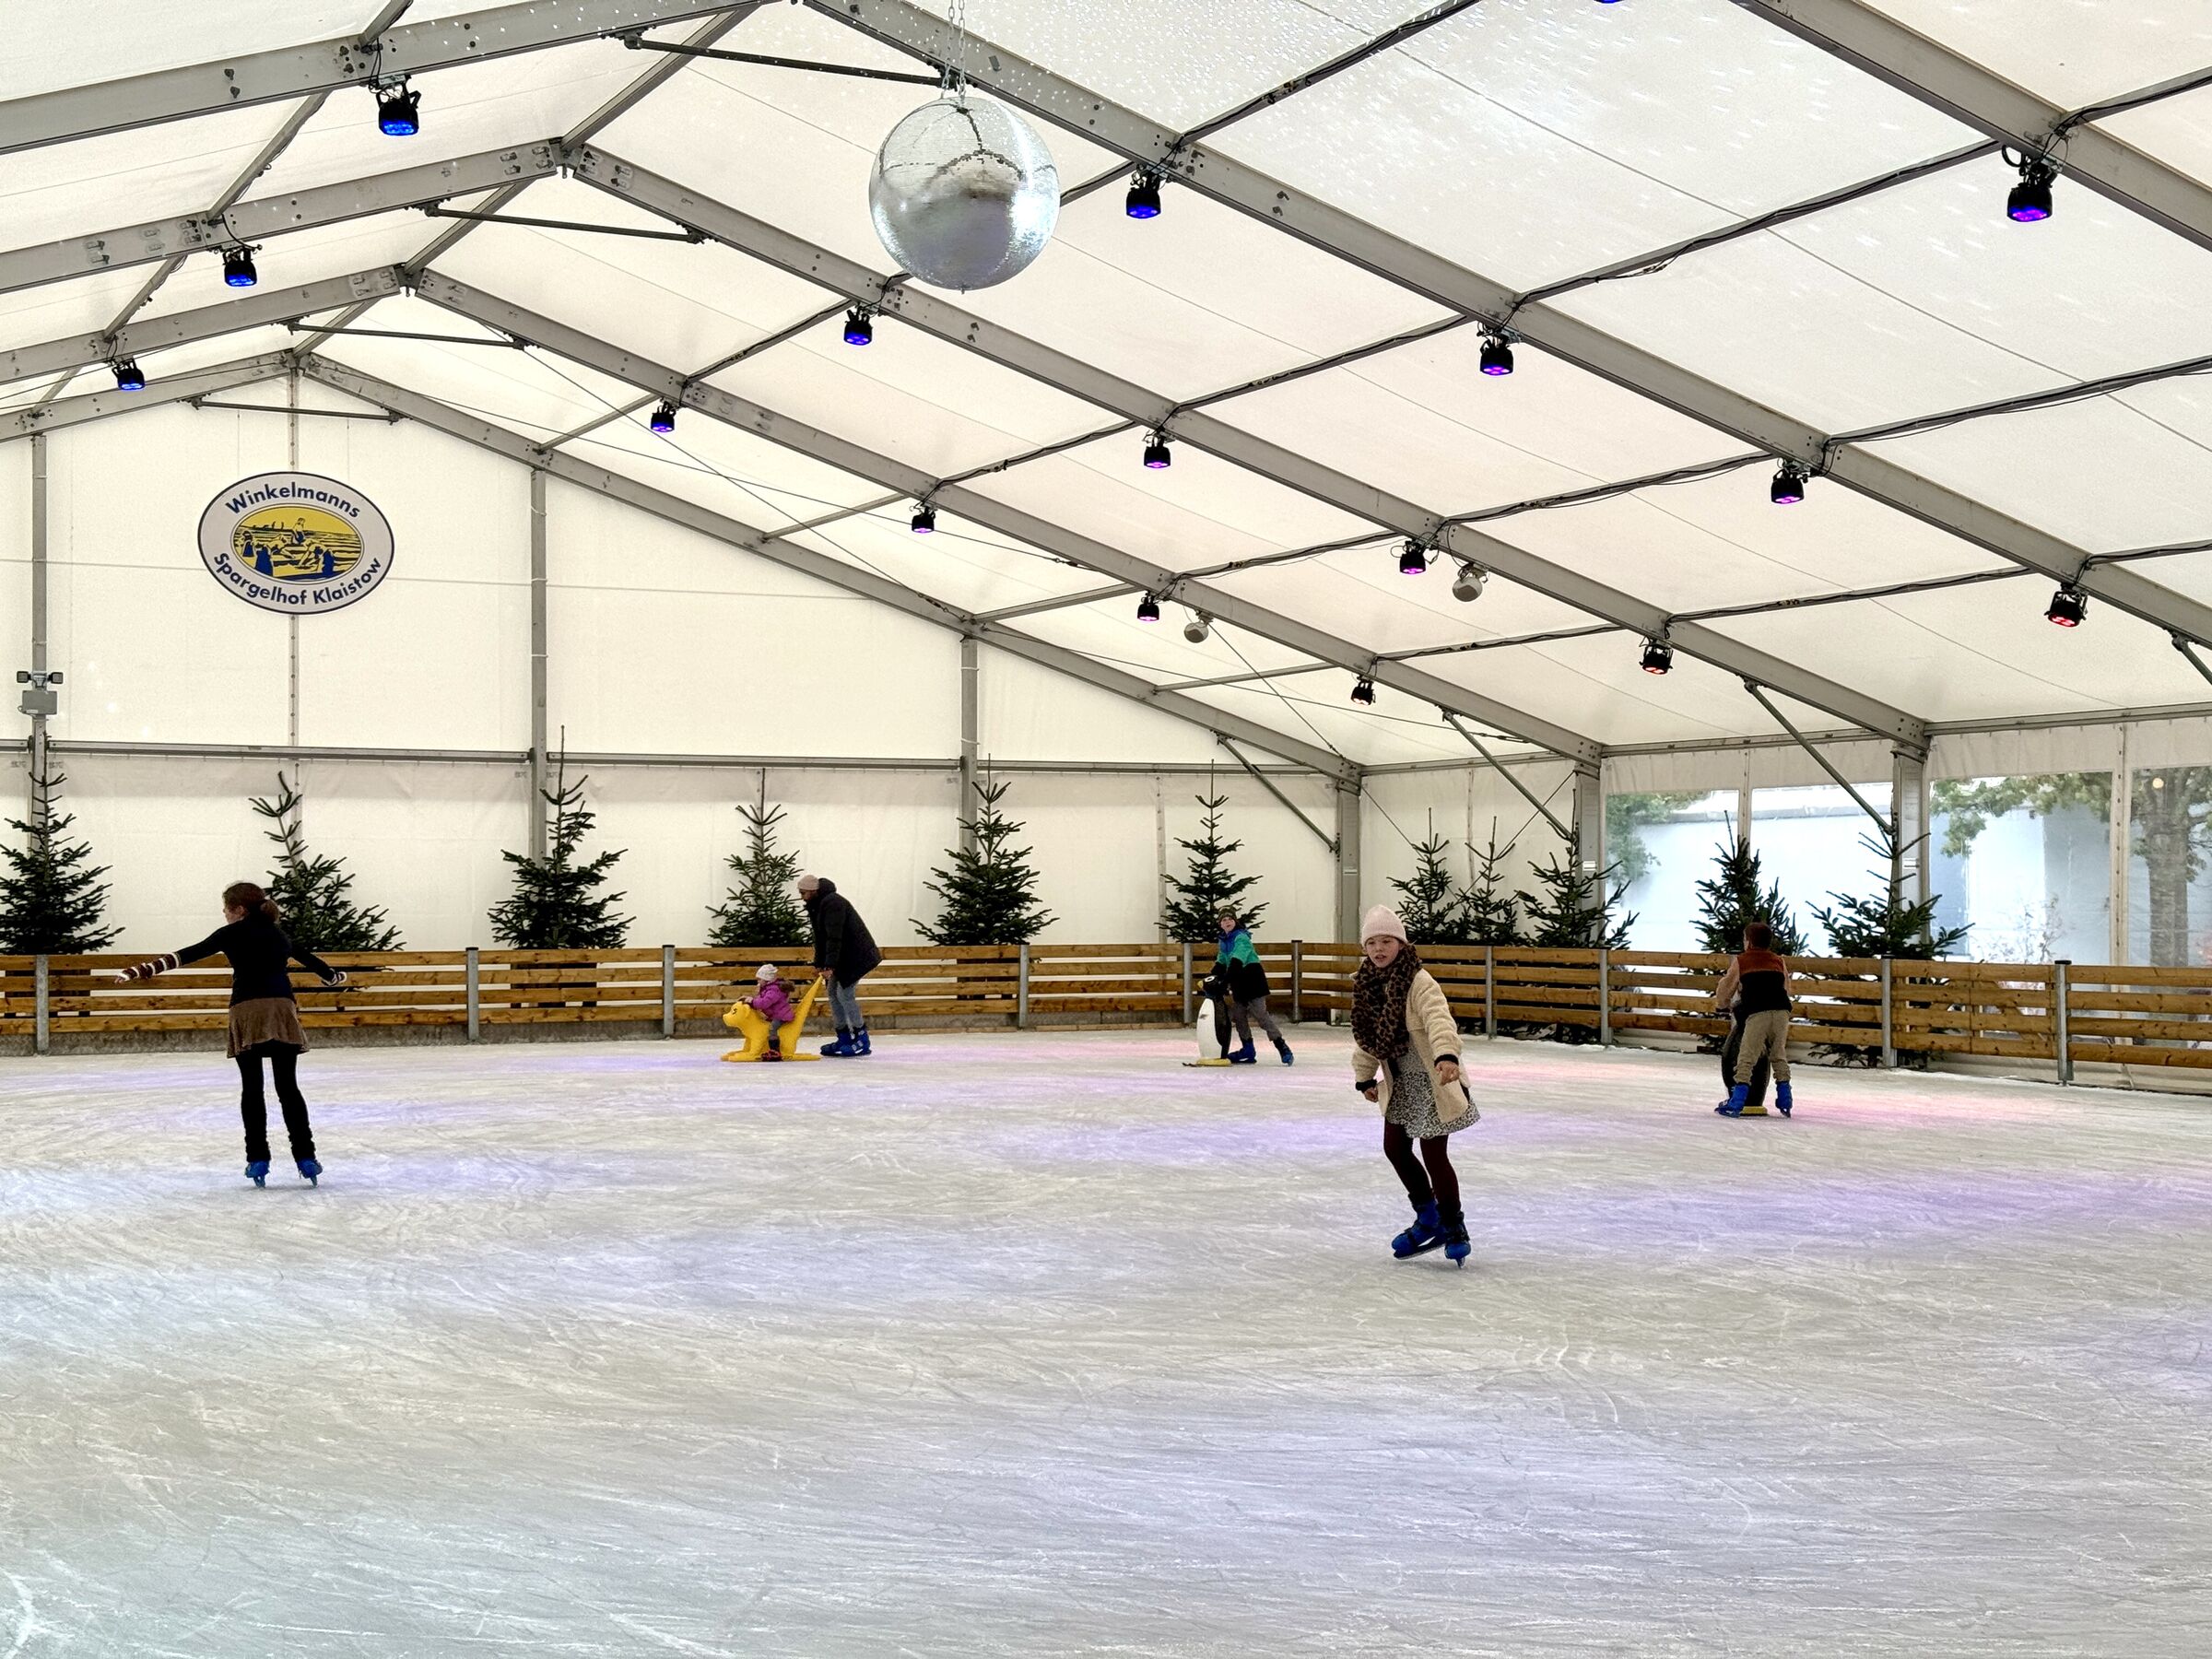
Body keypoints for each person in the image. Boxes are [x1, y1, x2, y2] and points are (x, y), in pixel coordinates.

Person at [116, 881, 347, 1186]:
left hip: (247, 1010)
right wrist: (334, 977)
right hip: (281, 1009)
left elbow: (187, 954)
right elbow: (316, 965)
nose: (224, 914)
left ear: (238, 909)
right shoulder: (278, 933)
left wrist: (139, 971)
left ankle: (258, 1159)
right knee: (288, 1088)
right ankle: (306, 1157)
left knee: (252, 1089)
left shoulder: (231, 933)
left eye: (226, 908)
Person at [1351, 904, 1477, 1265]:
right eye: (1371, 942)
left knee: (1434, 1153)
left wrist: (1446, 1056)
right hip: (1400, 1082)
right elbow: (1364, 1038)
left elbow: (1440, 1020)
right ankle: (1428, 1216)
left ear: (1401, 944)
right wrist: (1364, 1077)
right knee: (1395, 1148)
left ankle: (1454, 1226)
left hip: (1434, 1078)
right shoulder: (1365, 985)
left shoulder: (1420, 981)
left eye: (1386, 941)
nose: (1378, 949)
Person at [1713, 920, 1794, 1118]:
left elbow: (1727, 987)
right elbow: (1786, 988)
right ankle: (1785, 1098)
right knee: (1778, 1053)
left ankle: (1737, 1100)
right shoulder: (1778, 960)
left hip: (1758, 1012)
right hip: (1782, 1011)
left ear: (1748, 942)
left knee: (1747, 1056)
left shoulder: (1742, 960)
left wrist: (1721, 1003)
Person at [798, 874, 881, 1057]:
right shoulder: (816, 905)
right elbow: (820, 938)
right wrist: (820, 963)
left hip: (857, 956)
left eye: (803, 893)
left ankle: (861, 1038)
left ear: (813, 891)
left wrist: (829, 965)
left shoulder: (833, 903)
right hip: (842, 957)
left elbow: (835, 937)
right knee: (832, 994)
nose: (801, 897)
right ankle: (844, 1037)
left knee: (845, 994)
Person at [1212, 910, 1291, 1065]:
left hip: (1252, 980)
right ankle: (1248, 1049)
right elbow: (1221, 961)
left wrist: (1223, 982)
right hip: (1239, 982)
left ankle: (1282, 1047)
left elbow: (1236, 962)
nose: (1227, 922)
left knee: (1261, 1015)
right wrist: (1213, 977)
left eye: (1230, 919)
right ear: (1220, 924)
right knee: (1239, 1015)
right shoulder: (1223, 940)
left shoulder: (1242, 938)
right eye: (1223, 920)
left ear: (1235, 921)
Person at [746, 964, 797, 1061]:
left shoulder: (774, 990)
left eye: (759, 979)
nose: (758, 981)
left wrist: (752, 1001)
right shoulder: (768, 989)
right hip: (775, 1014)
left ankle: (775, 1051)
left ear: (766, 980)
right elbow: (761, 1001)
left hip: (781, 1016)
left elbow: (764, 1003)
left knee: (772, 1029)